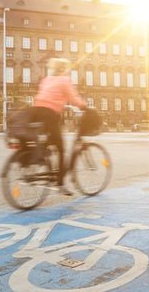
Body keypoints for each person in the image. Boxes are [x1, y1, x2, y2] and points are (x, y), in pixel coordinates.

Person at [30, 58, 87, 196]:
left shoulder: (46, 79)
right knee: (61, 149)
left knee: (48, 142)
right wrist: (84, 106)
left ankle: (40, 158)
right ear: (63, 69)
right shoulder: (64, 80)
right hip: (50, 114)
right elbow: (73, 98)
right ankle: (60, 184)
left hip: (36, 111)